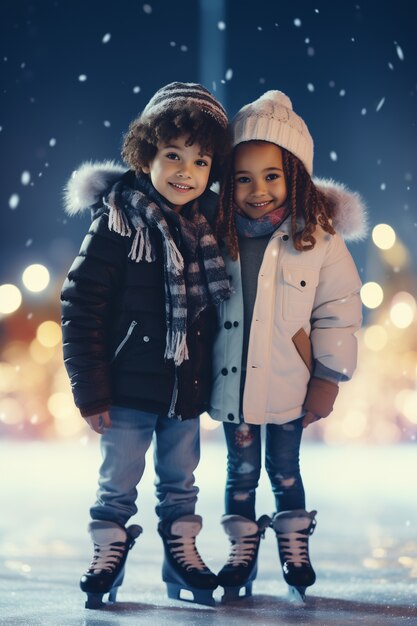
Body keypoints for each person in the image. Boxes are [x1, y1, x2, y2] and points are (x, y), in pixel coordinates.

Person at [61, 82, 232, 608]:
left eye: (200, 161)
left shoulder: (207, 229)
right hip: (127, 391)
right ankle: (107, 556)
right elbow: (80, 305)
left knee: (181, 482)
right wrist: (91, 390)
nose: (186, 172)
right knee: (119, 482)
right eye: (173, 156)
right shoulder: (118, 222)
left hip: (184, 390)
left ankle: (181, 555)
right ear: (145, 156)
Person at [209, 90, 366, 602]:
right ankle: (242, 547)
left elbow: (339, 310)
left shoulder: (317, 238)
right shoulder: (217, 233)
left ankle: (293, 543)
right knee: (240, 472)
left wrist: (327, 377)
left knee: (284, 469)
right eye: (244, 177)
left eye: (272, 175)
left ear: (295, 174)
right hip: (234, 387)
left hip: (288, 386)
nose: (259, 190)